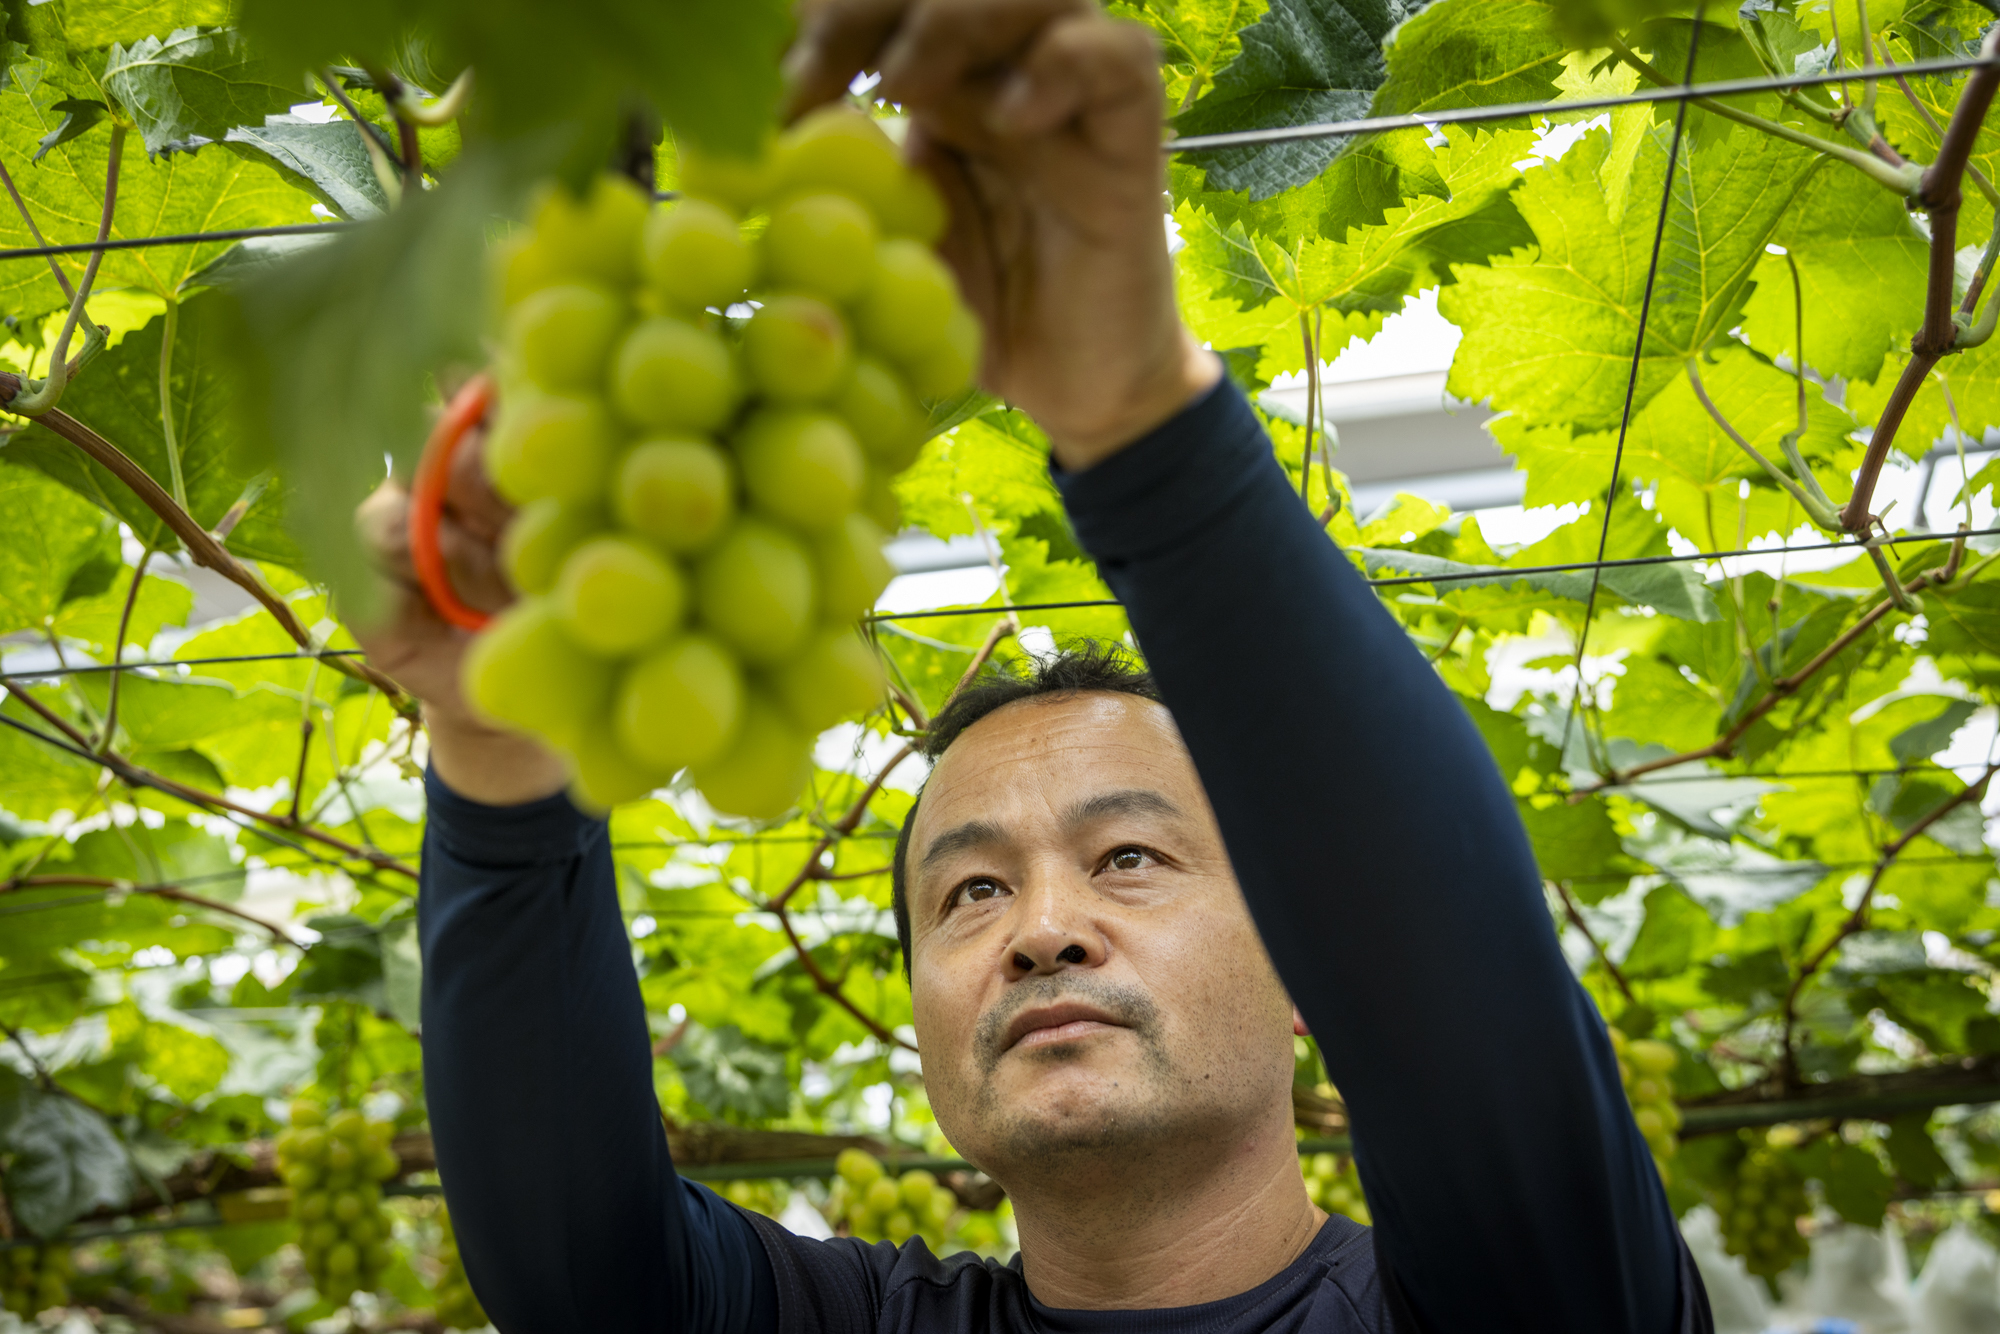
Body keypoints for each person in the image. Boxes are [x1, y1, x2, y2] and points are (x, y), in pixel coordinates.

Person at [355, 1, 1714, 1330]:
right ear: (923, 1019)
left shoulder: (1526, 1296)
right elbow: (574, 1270)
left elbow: (1469, 1018)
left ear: (1310, 975)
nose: (1039, 928)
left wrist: (1144, 425)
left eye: (1130, 855)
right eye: (970, 889)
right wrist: (495, 747)